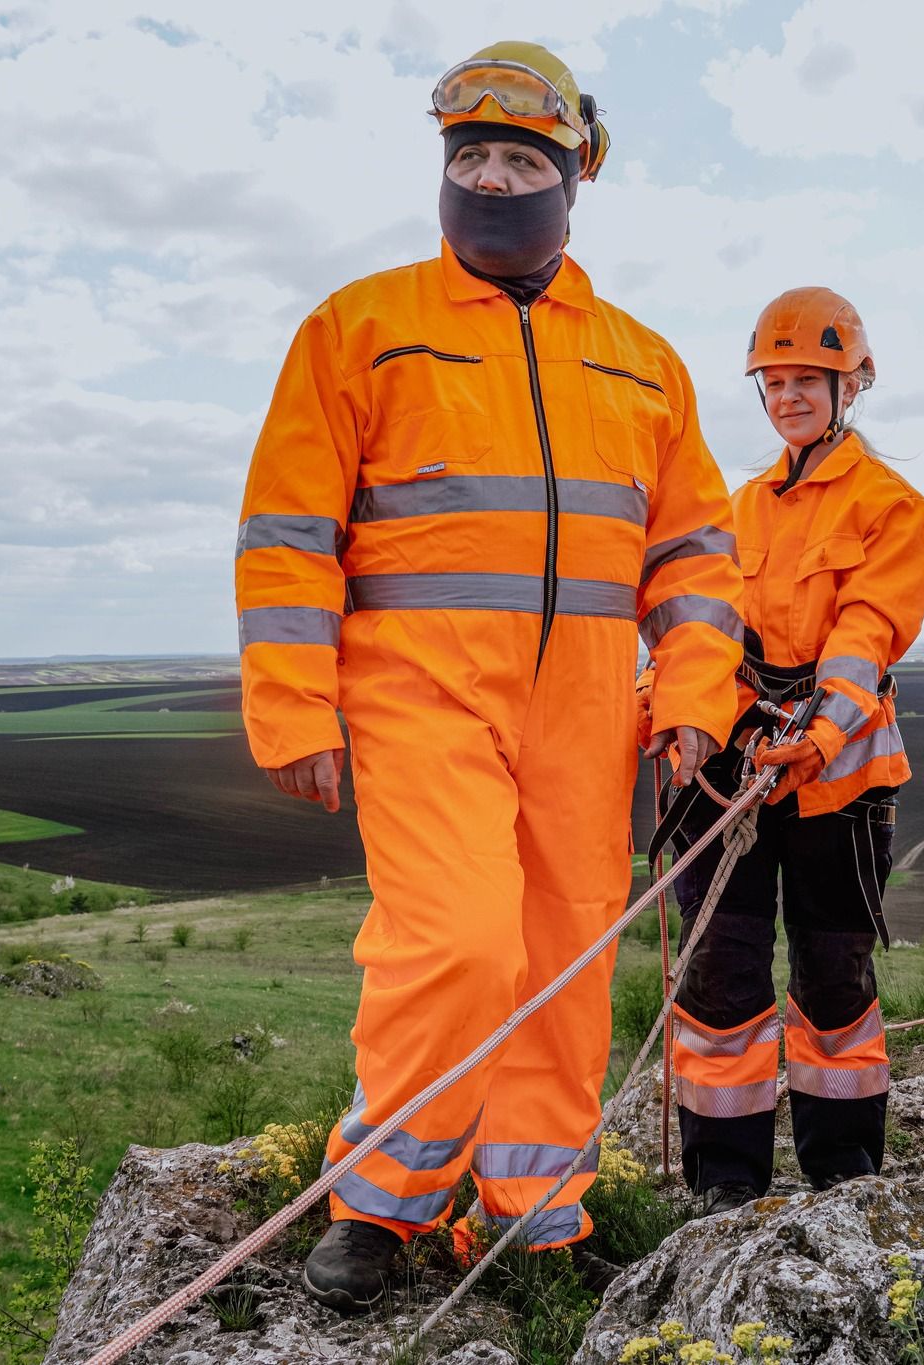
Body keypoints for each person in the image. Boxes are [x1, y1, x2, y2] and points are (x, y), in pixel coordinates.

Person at [234, 41, 744, 1313]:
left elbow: (693, 557)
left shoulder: (643, 362)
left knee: (565, 960)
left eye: (522, 156)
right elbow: (288, 534)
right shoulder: (359, 327)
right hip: (417, 701)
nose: (493, 176)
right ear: (442, 170)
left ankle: (532, 1208)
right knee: (456, 946)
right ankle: (381, 1203)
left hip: (585, 718)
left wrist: (689, 697)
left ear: (573, 177)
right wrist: (295, 706)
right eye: (470, 154)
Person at [654, 287, 924, 1214]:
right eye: (772, 384)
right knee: (720, 972)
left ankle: (842, 1167)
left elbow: (866, 632)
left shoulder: (893, 508)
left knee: (833, 975)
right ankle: (725, 1178)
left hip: (839, 782)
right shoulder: (736, 509)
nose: (787, 398)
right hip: (732, 770)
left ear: (851, 384)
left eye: (806, 381)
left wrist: (816, 734)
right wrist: (683, 714)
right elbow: (706, 629)